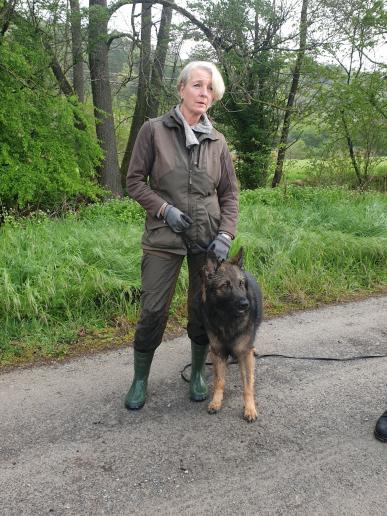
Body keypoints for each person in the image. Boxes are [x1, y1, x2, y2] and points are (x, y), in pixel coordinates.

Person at [125, 61, 239, 410]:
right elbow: (133, 181)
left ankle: (200, 375)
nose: (204, 93)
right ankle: (140, 380)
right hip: (163, 238)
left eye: (210, 89)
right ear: (181, 88)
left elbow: (229, 195)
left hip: (207, 242)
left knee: (202, 309)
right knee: (153, 310)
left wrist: (226, 234)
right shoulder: (154, 130)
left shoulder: (217, 141)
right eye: (198, 86)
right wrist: (164, 209)